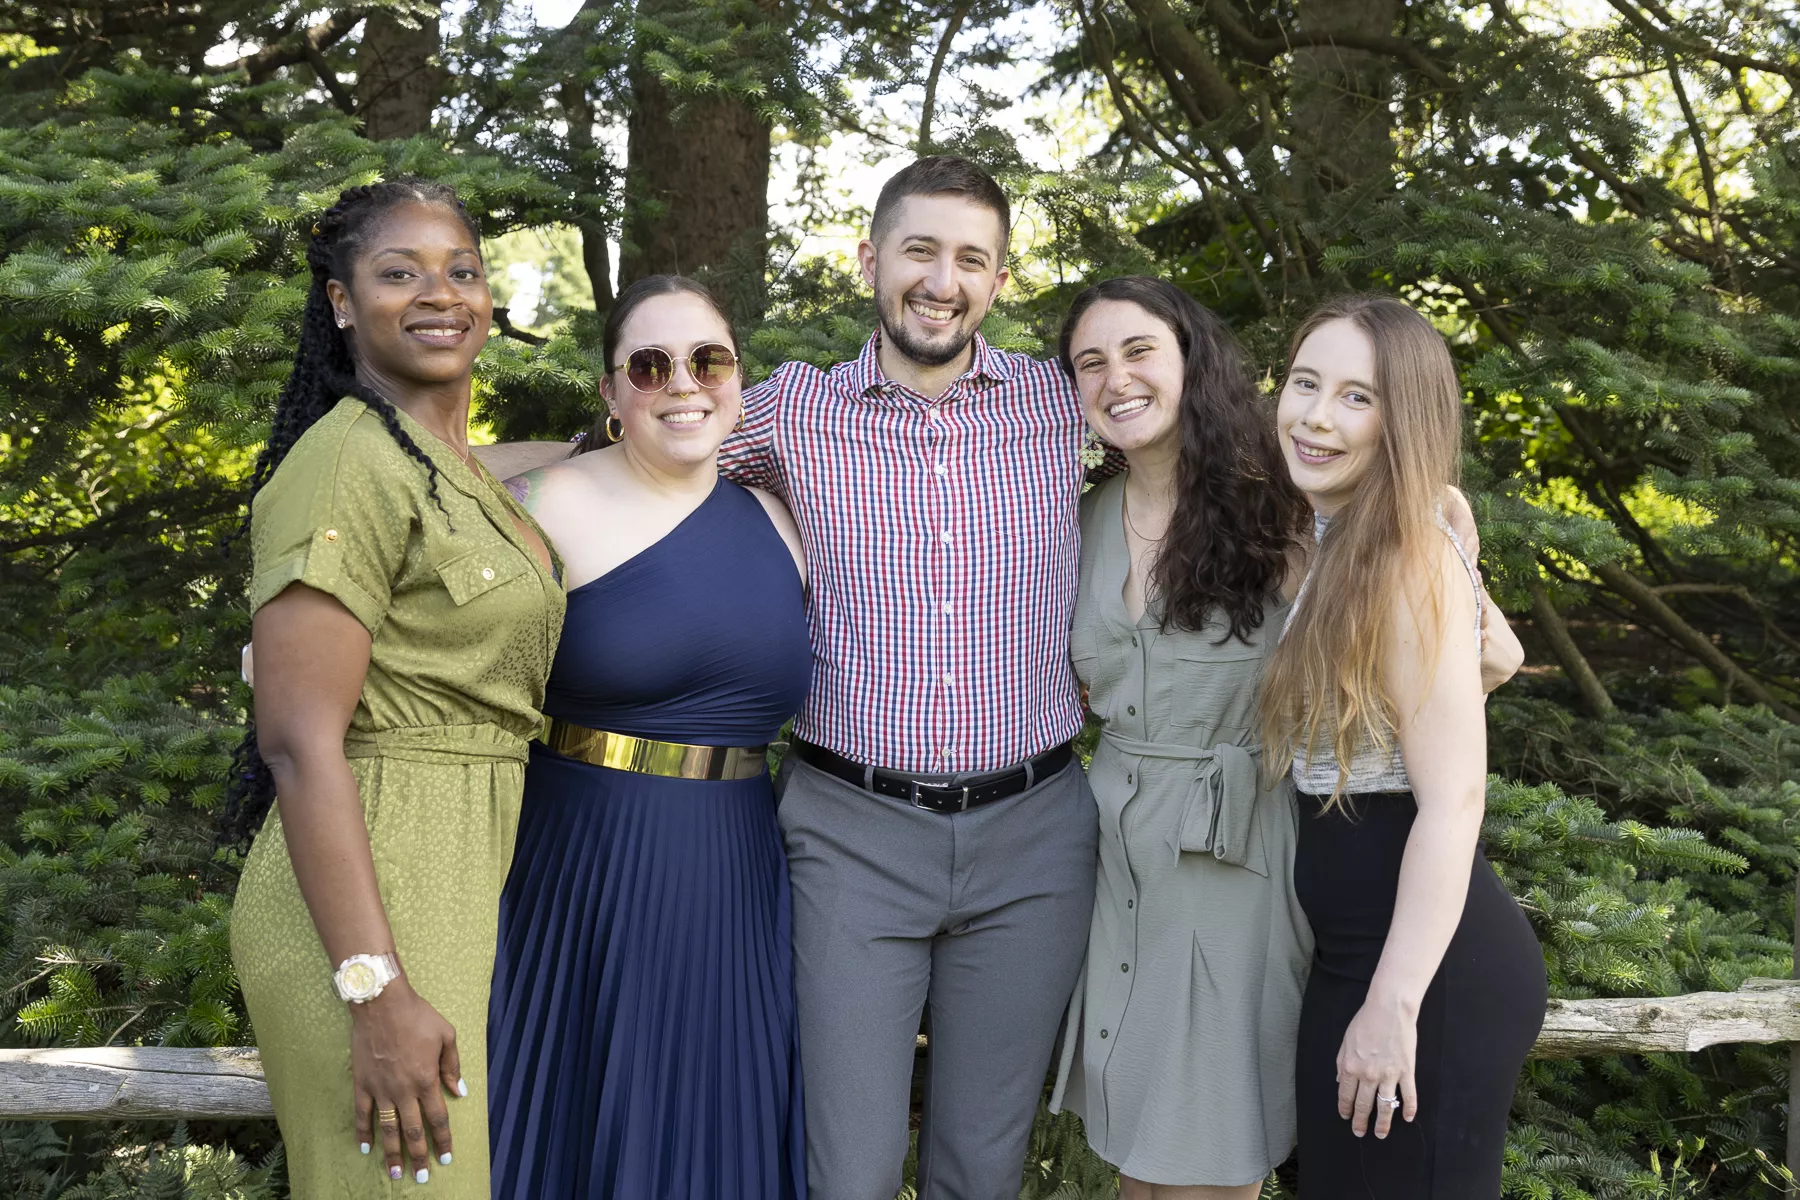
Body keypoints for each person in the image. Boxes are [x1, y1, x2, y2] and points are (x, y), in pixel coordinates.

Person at [716, 156, 1100, 1200]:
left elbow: (1216, 464)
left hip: (1035, 839)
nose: (942, 281)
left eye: (972, 259)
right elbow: (638, 461)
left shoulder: (1061, 405)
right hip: (850, 834)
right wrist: (445, 468)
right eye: (920, 251)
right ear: (870, 260)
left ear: (1000, 280)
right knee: (849, 1170)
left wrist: (1430, 517)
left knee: (983, 1166)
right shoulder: (789, 412)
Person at [224, 179, 563, 1199]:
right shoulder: (345, 464)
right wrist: (374, 997)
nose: (440, 293)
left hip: (468, 876)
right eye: (399, 272)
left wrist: (627, 437)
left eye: (462, 270)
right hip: (379, 890)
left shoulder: (448, 465)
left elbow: (526, 466)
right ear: (341, 301)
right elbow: (297, 744)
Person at [486, 275, 810, 1199]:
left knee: (715, 1120)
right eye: (651, 366)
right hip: (582, 864)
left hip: (734, 871)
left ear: (738, 380)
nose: (684, 383)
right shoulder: (543, 504)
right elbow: (415, 478)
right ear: (612, 391)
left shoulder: (780, 518)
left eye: (709, 360)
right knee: (574, 1116)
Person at [1262, 294, 1545, 1198]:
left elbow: (1455, 798)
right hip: (1357, 955)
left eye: (1357, 397)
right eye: (1305, 383)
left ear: (1404, 420)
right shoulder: (1339, 537)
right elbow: (1482, 664)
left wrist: (1393, 1004)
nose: (1316, 415)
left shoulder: (1405, 554)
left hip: (1426, 975)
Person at [1046, 277, 1314, 1200]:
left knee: (1211, 1148)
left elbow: (1420, 629)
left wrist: (1449, 529)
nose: (1115, 378)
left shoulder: (1282, 507)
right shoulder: (1081, 518)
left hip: (1231, 849)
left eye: (1138, 351)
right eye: (1090, 362)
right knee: (1139, 1156)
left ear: (1191, 360)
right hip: (1112, 850)